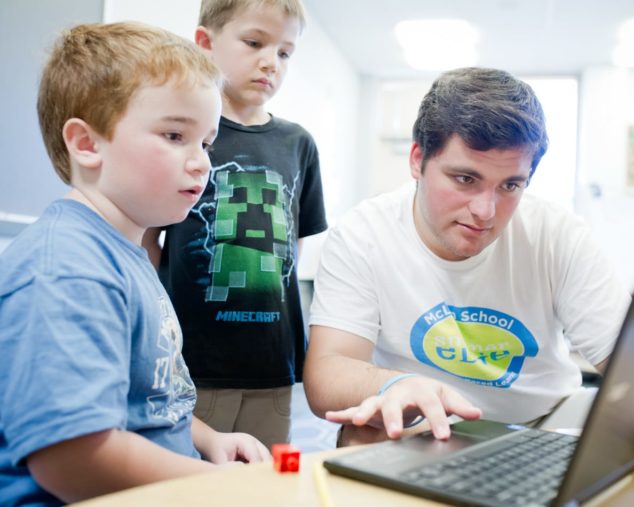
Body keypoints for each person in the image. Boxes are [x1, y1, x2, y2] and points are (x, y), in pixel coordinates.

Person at [0, 22, 271, 506]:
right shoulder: (67, 268)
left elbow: (148, 398)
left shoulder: (127, 253)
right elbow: (72, 457)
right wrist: (220, 489)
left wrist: (209, 441)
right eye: (174, 135)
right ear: (87, 144)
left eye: (206, 143)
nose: (202, 162)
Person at [303, 67, 632, 447]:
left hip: (540, 424)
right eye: (465, 179)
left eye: (510, 185)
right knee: (363, 433)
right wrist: (398, 385)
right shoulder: (363, 233)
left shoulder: (558, 234)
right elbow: (327, 372)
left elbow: (624, 365)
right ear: (417, 160)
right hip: (422, 426)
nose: (485, 211)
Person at [143, 0, 327, 449]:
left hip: (272, 363)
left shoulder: (298, 144)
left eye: (285, 53)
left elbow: (291, 244)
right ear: (205, 44)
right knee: (194, 480)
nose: (271, 62)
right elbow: (149, 238)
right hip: (195, 362)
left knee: (260, 480)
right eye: (254, 43)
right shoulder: (186, 135)